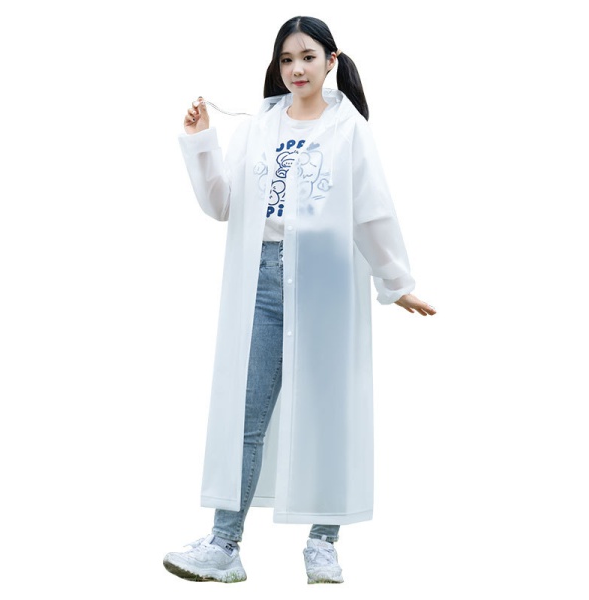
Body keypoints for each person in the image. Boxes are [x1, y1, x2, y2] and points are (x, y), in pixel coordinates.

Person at [163, 15, 437, 585]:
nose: (297, 69)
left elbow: (372, 209)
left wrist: (396, 281)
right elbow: (223, 205)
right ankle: (224, 544)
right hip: (262, 281)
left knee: (326, 411)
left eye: (308, 57)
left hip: (326, 281)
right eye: (287, 59)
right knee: (247, 413)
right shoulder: (258, 128)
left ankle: (323, 543)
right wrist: (201, 141)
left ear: (331, 60)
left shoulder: (349, 129)